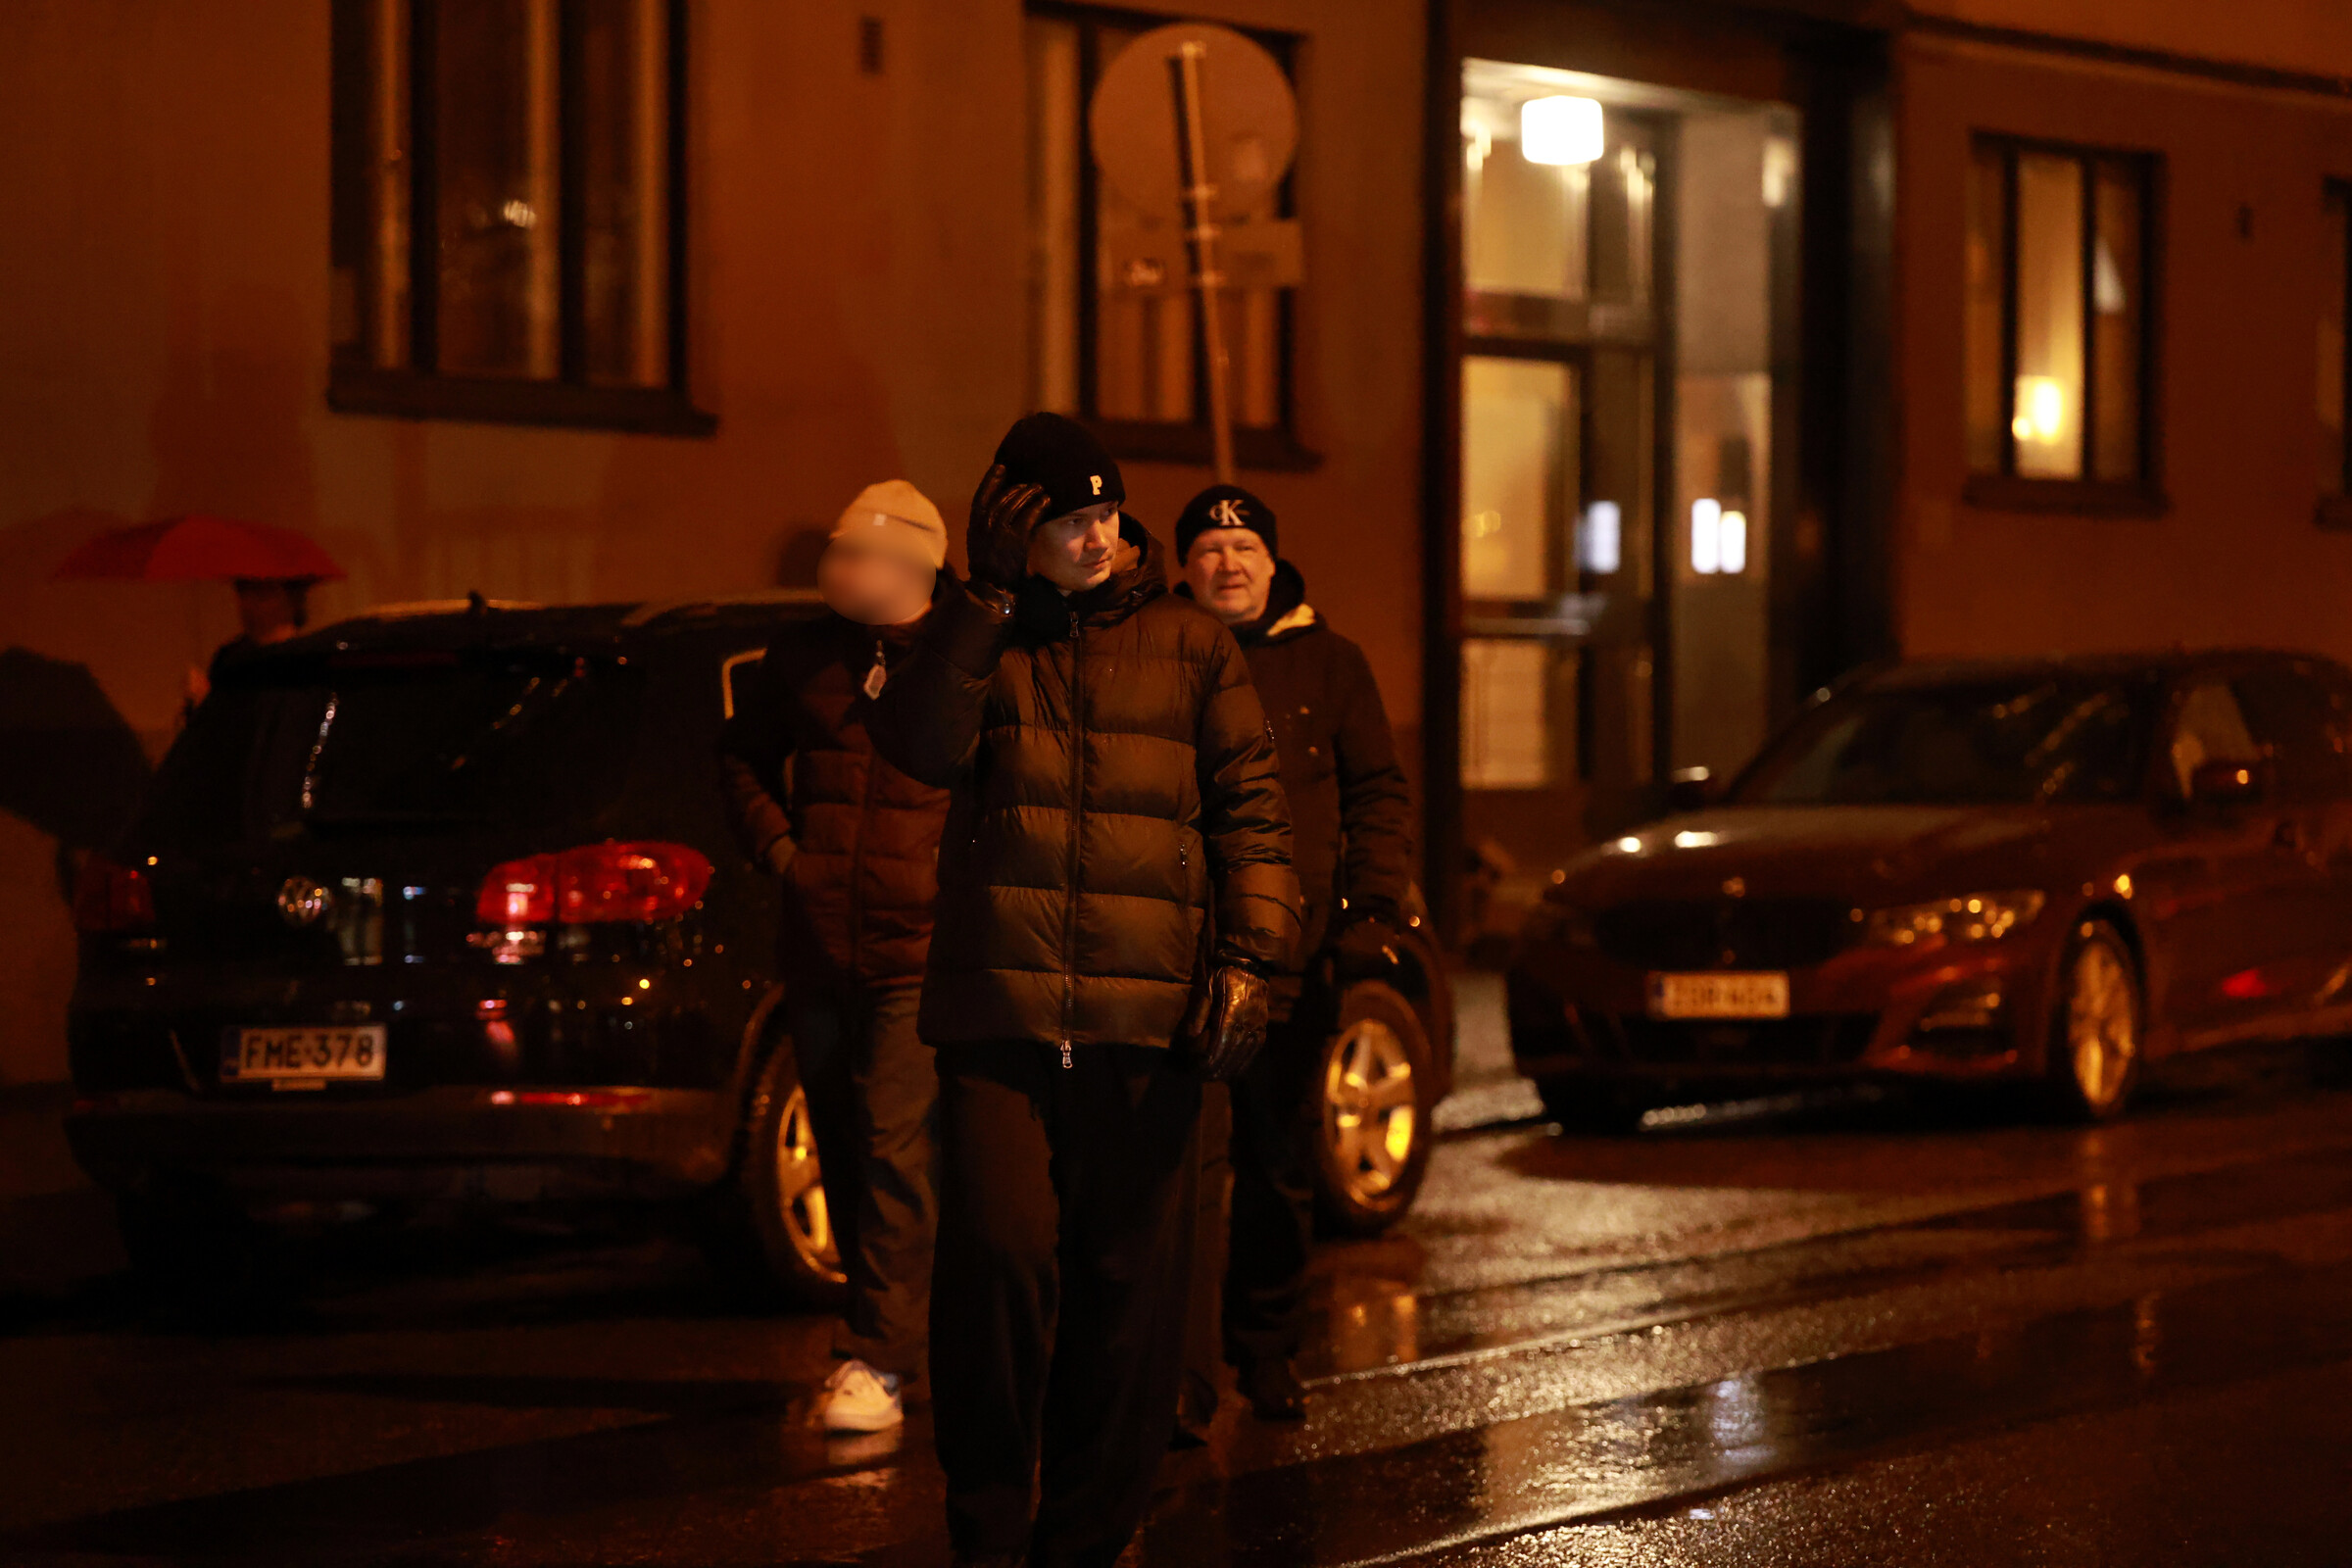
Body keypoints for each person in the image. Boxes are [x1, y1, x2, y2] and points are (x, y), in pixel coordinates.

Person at [866, 414, 1300, 1568]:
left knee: (1129, 1292)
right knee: (998, 1265)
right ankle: (988, 1526)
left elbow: (1254, 812)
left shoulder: (1191, 644)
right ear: (1017, 523)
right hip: (1001, 1020)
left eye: (1107, 513)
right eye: (1070, 519)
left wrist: (1251, 958)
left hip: (1144, 1022)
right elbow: (916, 745)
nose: (1098, 537)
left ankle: (1089, 1538)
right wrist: (980, 602)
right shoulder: (983, 638)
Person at [1172, 482, 1414, 1427]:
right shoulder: (1163, 653)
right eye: (1208, 549)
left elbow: (1377, 792)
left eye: (1244, 549)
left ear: (1274, 564)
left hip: (1290, 959)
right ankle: (1182, 1370)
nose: (1227, 564)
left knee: (1277, 1164)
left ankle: (1267, 1348)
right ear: (1186, 568)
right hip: (1182, 959)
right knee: (1182, 1174)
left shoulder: (1333, 664)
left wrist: (1368, 915)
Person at [717, 480, 955, 1434]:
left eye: (860, 553)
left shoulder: (965, 656)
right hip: (819, 944)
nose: (840, 569)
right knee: (848, 1148)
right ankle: (896, 1335)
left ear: (914, 564)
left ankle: (879, 1358)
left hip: (919, 948)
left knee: (897, 1146)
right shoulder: (804, 657)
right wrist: (785, 853)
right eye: (838, 551)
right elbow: (739, 757)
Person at [183, 576, 315, 712]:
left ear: (293, 598)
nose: (248, 603)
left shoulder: (306, 661)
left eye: (261, 592)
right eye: (242, 590)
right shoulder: (230, 657)